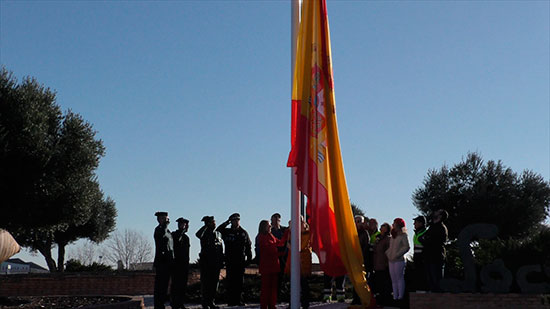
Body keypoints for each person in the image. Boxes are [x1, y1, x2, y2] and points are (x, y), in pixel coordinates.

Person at [216, 213, 253, 306]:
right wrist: (226, 223)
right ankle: (231, 301)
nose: (236, 222)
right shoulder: (227, 232)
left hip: (240, 261)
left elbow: (248, 246)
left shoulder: (243, 232)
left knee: (239, 282)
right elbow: (218, 231)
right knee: (230, 282)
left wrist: (249, 259)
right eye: (233, 220)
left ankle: (238, 300)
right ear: (231, 221)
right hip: (230, 260)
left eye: (237, 220)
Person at [257, 219, 288, 309]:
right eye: (268, 225)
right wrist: (280, 253)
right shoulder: (261, 237)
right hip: (267, 266)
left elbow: (281, 243)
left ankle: (272, 305)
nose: (270, 226)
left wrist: (286, 234)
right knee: (266, 288)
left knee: (273, 288)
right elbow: (269, 250)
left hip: (274, 265)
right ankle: (264, 306)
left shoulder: (271, 236)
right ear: (264, 227)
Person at [196, 216, 224, 309]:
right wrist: (206, 226)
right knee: (206, 284)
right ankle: (205, 303)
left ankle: (211, 302)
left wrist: (221, 261)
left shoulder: (218, 234)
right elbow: (198, 234)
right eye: (212, 222)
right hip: (206, 263)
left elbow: (220, 248)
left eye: (214, 221)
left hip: (216, 263)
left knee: (214, 284)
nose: (214, 223)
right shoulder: (204, 233)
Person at [284, 216, 312, 309]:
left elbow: (303, 245)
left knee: (304, 284)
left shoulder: (307, 233)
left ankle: (305, 304)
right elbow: (287, 243)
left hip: (304, 261)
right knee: (293, 283)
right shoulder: (291, 233)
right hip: (294, 260)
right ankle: (292, 303)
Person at [423, 209, 449, 292]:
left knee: (437, 279)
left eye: (437, 212)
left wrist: (428, 240)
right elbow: (423, 237)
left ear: (440, 216)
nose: (435, 212)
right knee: (430, 280)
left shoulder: (441, 228)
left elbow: (438, 241)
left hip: (437, 256)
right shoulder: (431, 227)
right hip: (428, 256)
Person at [153, 211, 174, 309]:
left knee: (165, 286)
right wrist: (165, 225)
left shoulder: (168, 231)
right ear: (159, 219)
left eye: (167, 218)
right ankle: (158, 305)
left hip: (168, 262)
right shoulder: (159, 230)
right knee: (160, 286)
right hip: (161, 262)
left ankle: (162, 304)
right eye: (164, 218)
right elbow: (162, 236)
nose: (167, 220)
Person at [385, 218, 410, 302]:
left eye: (394, 223)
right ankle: (395, 296)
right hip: (391, 260)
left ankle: (400, 297)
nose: (393, 225)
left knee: (399, 278)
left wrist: (397, 255)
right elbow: (390, 247)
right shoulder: (393, 236)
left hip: (399, 260)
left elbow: (406, 247)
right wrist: (388, 253)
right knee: (393, 279)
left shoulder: (404, 235)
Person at [171, 217, 190, 309]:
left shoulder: (186, 238)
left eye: (185, 224)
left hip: (184, 264)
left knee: (183, 285)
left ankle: (180, 303)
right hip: (176, 264)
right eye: (181, 224)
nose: (184, 226)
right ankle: (174, 303)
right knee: (175, 285)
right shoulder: (174, 235)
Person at [352, 215, 370, 305]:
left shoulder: (364, 233)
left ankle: (361, 298)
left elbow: (366, 246)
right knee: (354, 279)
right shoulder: (352, 232)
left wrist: (361, 256)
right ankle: (355, 298)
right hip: (353, 259)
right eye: (356, 221)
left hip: (362, 259)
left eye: (359, 221)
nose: (357, 223)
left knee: (361, 279)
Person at [372, 222, 392, 306]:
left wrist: (387, 263)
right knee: (377, 283)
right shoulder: (378, 238)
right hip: (376, 263)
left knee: (383, 283)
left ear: (387, 229)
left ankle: (384, 301)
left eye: (383, 227)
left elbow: (389, 251)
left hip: (383, 264)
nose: (381, 228)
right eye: (381, 226)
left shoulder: (388, 239)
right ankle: (378, 300)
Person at [412, 215, 428, 292]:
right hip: (416, 258)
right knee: (417, 275)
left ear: (421, 223)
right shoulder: (416, 234)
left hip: (422, 259)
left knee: (422, 276)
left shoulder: (425, 233)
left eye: (416, 222)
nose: (414, 224)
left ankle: (423, 291)